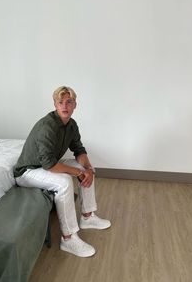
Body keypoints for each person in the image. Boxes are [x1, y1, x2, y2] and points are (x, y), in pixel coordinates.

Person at [13, 86, 111, 257]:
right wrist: (77, 173)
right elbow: (49, 164)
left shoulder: (71, 125)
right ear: (55, 105)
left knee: (87, 168)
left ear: (75, 105)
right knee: (64, 182)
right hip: (28, 171)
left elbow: (79, 150)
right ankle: (68, 238)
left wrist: (87, 169)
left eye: (69, 102)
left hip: (46, 165)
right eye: (60, 102)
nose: (65, 106)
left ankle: (87, 217)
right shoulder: (47, 126)